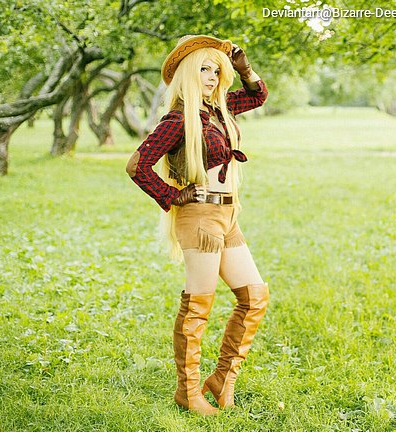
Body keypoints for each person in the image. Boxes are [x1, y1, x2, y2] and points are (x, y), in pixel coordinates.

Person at [125, 35, 269, 416]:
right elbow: (136, 166)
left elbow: (256, 97)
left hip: (228, 216)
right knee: (198, 307)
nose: (211, 76)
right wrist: (171, 196)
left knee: (254, 296)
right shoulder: (178, 119)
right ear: (188, 74)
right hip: (200, 217)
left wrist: (242, 68)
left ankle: (221, 381)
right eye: (204, 69)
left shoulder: (221, 109)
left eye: (215, 69)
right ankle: (188, 392)